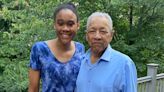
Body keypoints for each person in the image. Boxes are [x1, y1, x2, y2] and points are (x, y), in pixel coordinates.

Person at [28, 2, 85, 92]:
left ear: (77, 25)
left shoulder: (80, 48)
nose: (65, 28)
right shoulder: (40, 49)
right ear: (54, 24)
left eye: (70, 24)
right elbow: (33, 89)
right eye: (60, 23)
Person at [76, 12, 137, 92]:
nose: (97, 36)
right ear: (87, 35)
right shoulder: (80, 62)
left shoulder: (124, 64)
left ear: (111, 35)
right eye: (92, 31)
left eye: (103, 31)